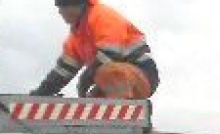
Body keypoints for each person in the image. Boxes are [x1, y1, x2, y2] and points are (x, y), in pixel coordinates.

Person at [31, 0, 160, 99]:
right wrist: (40, 94)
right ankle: (112, 119)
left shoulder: (103, 16)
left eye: (63, 7)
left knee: (107, 71)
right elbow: (62, 72)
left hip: (142, 75)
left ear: (77, 5)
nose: (60, 12)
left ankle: (125, 113)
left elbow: (110, 54)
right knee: (91, 104)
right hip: (112, 79)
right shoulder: (76, 37)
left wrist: (85, 78)